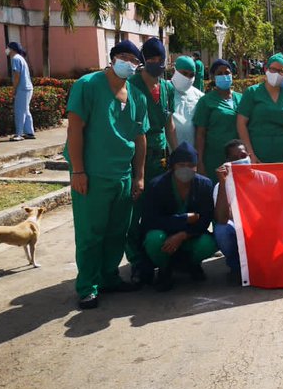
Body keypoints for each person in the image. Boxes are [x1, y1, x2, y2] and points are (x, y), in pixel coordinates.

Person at [64, 39, 149, 309]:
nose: (128, 63)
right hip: (93, 173)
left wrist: (139, 175)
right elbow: (75, 129)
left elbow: (140, 136)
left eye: (134, 60)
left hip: (122, 174)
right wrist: (78, 169)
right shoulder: (88, 85)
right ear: (112, 58)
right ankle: (88, 286)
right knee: (91, 233)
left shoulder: (136, 96)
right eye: (123, 57)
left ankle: (109, 276)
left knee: (117, 232)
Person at [125, 37, 178, 284]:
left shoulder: (166, 88)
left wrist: (176, 153)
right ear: (144, 60)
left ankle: (160, 257)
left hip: (162, 158)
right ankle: (137, 262)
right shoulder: (132, 86)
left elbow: (170, 124)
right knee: (136, 212)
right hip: (138, 157)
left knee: (160, 208)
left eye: (160, 59)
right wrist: (139, 172)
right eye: (152, 59)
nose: (157, 64)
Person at [140, 141, 216, 293]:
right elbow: (149, 220)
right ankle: (164, 269)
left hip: (190, 236)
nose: (186, 169)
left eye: (190, 165)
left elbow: (205, 220)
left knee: (209, 243)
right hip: (164, 235)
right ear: (173, 166)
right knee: (154, 239)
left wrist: (183, 235)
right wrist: (183, 219)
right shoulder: (157, 185)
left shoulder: (205, 185)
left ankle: (192, 265)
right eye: (181, 165)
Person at [236, 53, 283, 164]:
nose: (277, 74)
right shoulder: (252, 93)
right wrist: (250, 154)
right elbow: (241, 124)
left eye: (281, 71)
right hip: (257, 157)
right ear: (266, 69)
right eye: (273, 69)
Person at [192, 59, 242, 184]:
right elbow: (200, 134)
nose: (224, 75)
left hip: (238, 159)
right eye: (219, 73)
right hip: (214, 159)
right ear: (213, 77)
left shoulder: (241, 98)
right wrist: (200, 163)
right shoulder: (206, 101)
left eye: (227, 72)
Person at [213, 139, 250, 282]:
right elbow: (222, 219)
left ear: (249, 156)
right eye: (235, 159)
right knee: (222, 230)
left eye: (243, 156)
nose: (240, 161)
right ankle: (237, 268)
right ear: (227, 162)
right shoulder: (221, 186)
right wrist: (223, 183)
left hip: (260, 228)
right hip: (238, 229)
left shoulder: (265, 178)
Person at [170, 55, 204, 148]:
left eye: (191, 75)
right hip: (168, 152)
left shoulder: (199, 96)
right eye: (184, 74)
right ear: (174, 71)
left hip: (191, 153)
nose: (188, 78)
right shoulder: (164, 91)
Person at [7, 41, 34, 141]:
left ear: (12, 49)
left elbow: (17, 75)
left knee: (19, 111)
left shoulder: (15, 59)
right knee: (26, 110)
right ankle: (29, 132)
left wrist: (14, 89)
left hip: (22, 88)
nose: (6, 50)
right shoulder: (21, 58)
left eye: (7, 48)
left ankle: (19, 134)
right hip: (27, 87)